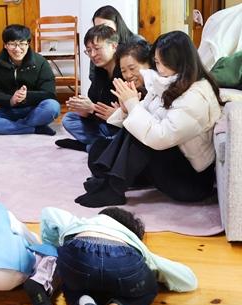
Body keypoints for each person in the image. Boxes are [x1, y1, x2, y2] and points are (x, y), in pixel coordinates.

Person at [75, 31, 222, 208]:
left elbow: (158, 137)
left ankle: (113, 188)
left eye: (159, 63)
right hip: (173, 160)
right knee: (101, 147)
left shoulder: (195, 96)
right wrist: (126, 108)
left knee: (142, 136)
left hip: (191, 182)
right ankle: (108, 179)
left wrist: (132, 105)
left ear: (176, 61)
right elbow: (142, 117)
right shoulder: (169, 83)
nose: (156, 68)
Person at [41, 206, 197, 305]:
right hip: (123, 260)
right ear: (133, 233)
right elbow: (188, 281)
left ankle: (85, 300)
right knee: (148, 289)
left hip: (77, 254)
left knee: (70, 285)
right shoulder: (133, 243)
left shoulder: (80, 223)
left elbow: (48, 212)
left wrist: (53, 245)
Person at [0, 24, 60, 135]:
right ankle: (33, 128)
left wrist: (26, 96)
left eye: (22, 43)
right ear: (5, 45)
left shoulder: (41, 62)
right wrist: (11, 100)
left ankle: (13, 127)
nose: (17, 49)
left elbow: (50, 93)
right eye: (12, 44)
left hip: (34, 109)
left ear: (28, 44)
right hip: (10, 110)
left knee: (53, 107)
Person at [56, 25, 122, 152]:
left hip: (120, 126)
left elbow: (120, 114)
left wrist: (92, 108)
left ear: (114, 46)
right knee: (69, 118)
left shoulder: (123, 71)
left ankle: (92, 146)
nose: (93, 54)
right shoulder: (99, 70)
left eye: (97, 48)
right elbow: (94, 101)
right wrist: (84, 110)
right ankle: (102, 145)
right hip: (104, 124)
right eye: (88, 50)